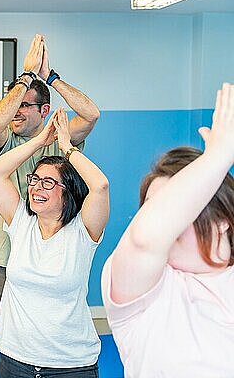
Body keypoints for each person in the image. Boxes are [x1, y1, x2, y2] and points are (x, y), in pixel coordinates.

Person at [101, 83, 234, 377]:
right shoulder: (148, 289)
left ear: (222, 217)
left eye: (175, 206)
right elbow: (145, 239)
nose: (163, 220)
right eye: (150, 208)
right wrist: (221, 154)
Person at [0, 108, 109, 378]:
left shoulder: (83, 231)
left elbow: (99, 185)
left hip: (69, 365)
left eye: (48, 182)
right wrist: (41, 140)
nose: (36, 187)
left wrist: (66, 147)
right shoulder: (21, 223)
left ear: (68, 191)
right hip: (14, 360)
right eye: (35, 179)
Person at [0, 34, 100, 319]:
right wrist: (26, 76)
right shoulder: (5, 139)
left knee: (51, 321)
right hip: (5, 251)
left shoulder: (60, 133)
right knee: (8, 327)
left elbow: (91, 115)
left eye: (25, 105)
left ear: (44, 110)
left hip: (55, 248)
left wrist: (50, 77)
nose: (17, 110)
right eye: (14, 103)